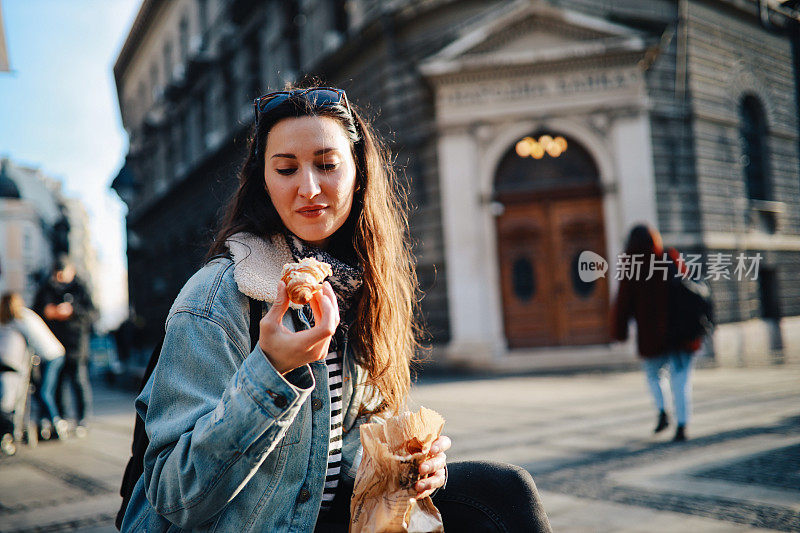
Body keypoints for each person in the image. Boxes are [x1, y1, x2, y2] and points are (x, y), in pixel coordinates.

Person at [120, 85, 552, 532]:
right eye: (286, 169)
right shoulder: (218, 298)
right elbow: (174, 496)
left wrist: (407, 464)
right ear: (264, 183)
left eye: (327, 165)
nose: (308, 188)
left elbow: (348, 444)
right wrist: (271, 372)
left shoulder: (358, 285)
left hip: (322, 517)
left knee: (503, 493)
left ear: (359, 173)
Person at [611, 224, 702, 442]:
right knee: (681, 378)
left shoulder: (631, 266)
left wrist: (619, 331)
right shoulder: (669, 257)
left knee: (653, 375)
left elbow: (622, 304)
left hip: (652, 335)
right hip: (682, 332)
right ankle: (682, 425)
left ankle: (662, 410)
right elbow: (690, 287)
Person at [33, 257, 97, 435]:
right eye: (57, 274)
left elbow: (93, 314)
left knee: (78, 382)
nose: (60, 278)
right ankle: (59, 420)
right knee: (57, 386)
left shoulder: (80, 288)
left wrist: (72, 311)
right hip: (54, 348)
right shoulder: (45, 289)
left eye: (63, 274)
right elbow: (35, 313)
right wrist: (47, 312)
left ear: (72, 271)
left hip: (76, 345)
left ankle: (82, 420)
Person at [0, 292, 68, 441]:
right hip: (49, 355)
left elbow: (26, 343)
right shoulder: (23, 315)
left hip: (51, 356)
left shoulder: (20, 319)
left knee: (44, 392)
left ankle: (57, 423)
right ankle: (44, 424)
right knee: (40, 392)